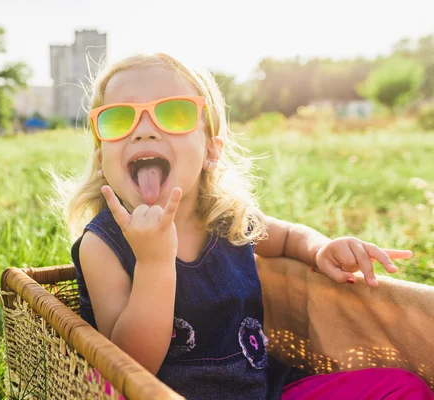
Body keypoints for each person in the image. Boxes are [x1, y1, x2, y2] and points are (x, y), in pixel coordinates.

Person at [58, 53, 433, 399]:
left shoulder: (225, 218)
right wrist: (154, 264)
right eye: (118, 120)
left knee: (402, 387)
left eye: (173, 114)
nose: (143, 131)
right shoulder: (103, 245)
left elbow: (286, 238)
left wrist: (320, 247)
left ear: (211, 151)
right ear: (101, 157)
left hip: (265, 391)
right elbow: (129, 367)